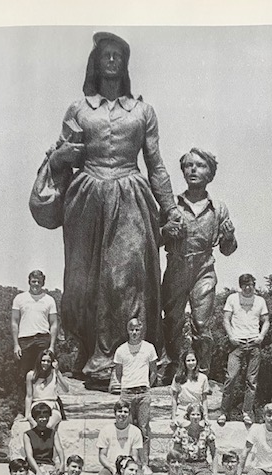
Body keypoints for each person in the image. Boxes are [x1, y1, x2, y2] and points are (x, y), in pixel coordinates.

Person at [29, 32, 182, 387]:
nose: (111, 60)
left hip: (131, 194)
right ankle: (90, 357)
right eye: (106, 55)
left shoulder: (143, 111)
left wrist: (170, 209)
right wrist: (59, 156)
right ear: (95, 63)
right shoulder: (78, 109)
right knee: (84, 281)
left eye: (118, 55)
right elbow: (64, 160)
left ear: (125, 64)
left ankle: (127, 360)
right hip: (87, 198)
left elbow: (156, 164)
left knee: (128, 277)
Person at [162, 148, 237, 378]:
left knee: (202, 323)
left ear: (210, 174)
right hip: (176, 267)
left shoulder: (219, 208)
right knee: (173, 320)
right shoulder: (171, 205)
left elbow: (228, 250)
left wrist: (229, 236)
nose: (193, 170)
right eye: (188, 165)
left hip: (204, 269)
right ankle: (172, 367)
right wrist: (165, 230)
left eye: (200, 166)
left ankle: (203, 371)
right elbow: (152, 239)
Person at [218, 273, 270, 424]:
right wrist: (231, 336)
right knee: (231, 377)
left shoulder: (260, 300)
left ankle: (246, 413)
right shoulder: (233, 298)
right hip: (237, 343)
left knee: (251, 381)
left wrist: (261, 336)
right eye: (245, 285)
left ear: (254, 285)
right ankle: (223, 413)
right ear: (240, 286)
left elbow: (266, 321)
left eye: (251, 285)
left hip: (254, 342)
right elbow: (226, 319)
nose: (248, 288)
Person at [114, 317, 157, 469]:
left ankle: (144, 463)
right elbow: (118, 374)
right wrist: (127, 386)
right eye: (131, 329)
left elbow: (153, 371)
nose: (134, 332)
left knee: (143, 429)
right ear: (127, 330)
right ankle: (129, 463)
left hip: (143, 392)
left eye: (137, 329)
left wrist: (146, 387)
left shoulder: (149, 348)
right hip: (127, 394)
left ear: (141, 330)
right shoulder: (121, 350)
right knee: (128, 427)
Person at [11, 270, 58, 379]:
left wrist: (51, 346)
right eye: (34, 281)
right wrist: (16, 344)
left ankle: (43, 396)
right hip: (25, 340)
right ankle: (25, 396)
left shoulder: (49, 300)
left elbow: (54, 323)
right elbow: (14, 322)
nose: (36, 284)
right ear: (29, 282)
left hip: (43, 339)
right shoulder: (19, 299)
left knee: (43, 373)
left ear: (43, 283)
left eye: (39, 282)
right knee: (24, 374)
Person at [96, 399, 146, 475]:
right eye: (120, 411)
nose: (122, 414)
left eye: (125, 412)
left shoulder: (135, 431)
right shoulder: (106, 430)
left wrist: (129, 469)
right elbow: (102, 456)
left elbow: (135, 456)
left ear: (129, 414)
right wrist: (112, 468)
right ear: (115, 413)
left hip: (129, 465)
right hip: (110, 466)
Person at [172, 403, 218, 475]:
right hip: (185, 465)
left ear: (201, 416)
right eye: (193, 414)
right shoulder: (181, 431)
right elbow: (175, 453)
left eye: (198, 414)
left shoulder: (207, 431)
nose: (195, 417)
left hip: (202, 466)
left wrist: (215, 474)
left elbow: (214, 452)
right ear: (188, 416)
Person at [23, 402, 65, 475]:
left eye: (46, 416)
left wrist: (62, 465)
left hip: (49, 466)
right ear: (35, 418)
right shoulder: (28, 435)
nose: (44, 419)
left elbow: (60, 450)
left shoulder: (53, 433)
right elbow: (29, 456)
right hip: (33, 467)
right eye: (40, 417)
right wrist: (38, 471)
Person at [25, 350, 69, 431]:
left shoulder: (55, 373)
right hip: (36, 406)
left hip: (52, 406)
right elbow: (29, 396)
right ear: (39, 361)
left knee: (48, 426)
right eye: (43, 360)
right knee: (35, 426)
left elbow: (66, 389)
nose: (45, 363)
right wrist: (27, 414)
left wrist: (57, 371)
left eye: (48, 361)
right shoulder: (31, 375)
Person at [170, 349, 210, 429]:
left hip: (197, 411)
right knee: (185, 425)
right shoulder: (178, 377)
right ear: (184, 362)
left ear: (197, 361)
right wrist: (173, 417)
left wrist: (206, 417)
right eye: (188, 360)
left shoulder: (203, 378)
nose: (191, 363)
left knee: (201, 427)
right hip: (183, 410)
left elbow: (204, 399)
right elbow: (174, 398)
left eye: (193, 360)